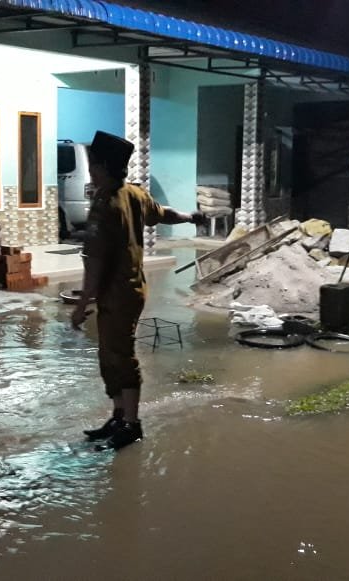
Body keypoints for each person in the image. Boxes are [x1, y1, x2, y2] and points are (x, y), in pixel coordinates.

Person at [72, 131, 205, 451]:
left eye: (92, 164)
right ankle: (118, 416)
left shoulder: (105, 205)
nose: (90, 170)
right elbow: (164, 214)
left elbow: (95, 261)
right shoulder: (134, 194)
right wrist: (190, 217)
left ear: (101, 167)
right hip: (130, 290)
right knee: (110, 355)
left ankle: (131, 424)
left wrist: (81, 303)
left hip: (117, 293)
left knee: (121, 356)